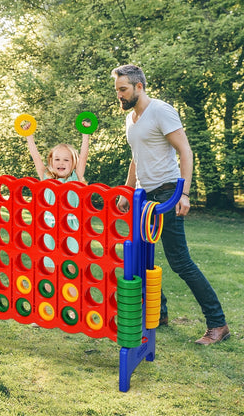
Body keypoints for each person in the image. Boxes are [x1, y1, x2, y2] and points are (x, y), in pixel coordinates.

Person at [111, 64, 230, 345]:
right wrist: (127, 192)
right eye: (117, 90)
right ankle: (159, 314)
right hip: (143, 196)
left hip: (167, 193)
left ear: (139, 87)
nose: (119, 95)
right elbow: (136, 157)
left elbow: (185, 150)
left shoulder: (161, 111)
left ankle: (218, 324)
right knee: (141, 257)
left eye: (123, 89)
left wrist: (183, 194)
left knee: (180, 261)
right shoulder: (132, 119)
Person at [24, 120, 91, 269]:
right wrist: (29, 136)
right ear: (51, 162)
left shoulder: (76, 177)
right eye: (57, 159)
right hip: (50, 226)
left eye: (66, 160)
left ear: (73, 163)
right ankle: (51, 291)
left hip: (71, 227)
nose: (61, 163)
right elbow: (35, 157)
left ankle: (71, 290)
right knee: (50, 264)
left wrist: (85, 134)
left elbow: (84, 156)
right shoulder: (46, 177)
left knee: (71, 265)